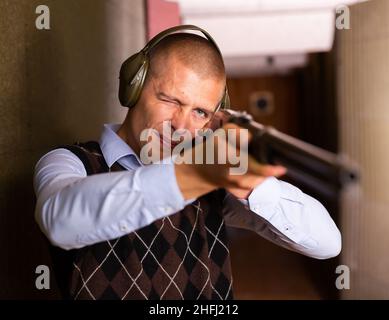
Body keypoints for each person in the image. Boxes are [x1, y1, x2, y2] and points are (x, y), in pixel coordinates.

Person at [33, 25, 341, 300]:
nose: (180, 125)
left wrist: (251, 185)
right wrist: (189, 177)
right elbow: (60, 222)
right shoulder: (69, 162)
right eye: (170, 100)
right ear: (134, 87)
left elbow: (327, 243)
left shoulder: (212, 184)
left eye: (200, 112)